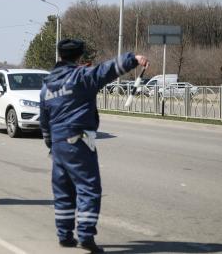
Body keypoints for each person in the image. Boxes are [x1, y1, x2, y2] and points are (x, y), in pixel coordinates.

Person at [40, 39, 149, 253]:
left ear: (60, 56)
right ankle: (86, 236)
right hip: (78, 140)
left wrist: (50, 142)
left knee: (63, 191)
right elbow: (106, 70)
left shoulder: (47, 84)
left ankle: (64, 235)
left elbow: (44, 118)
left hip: (58, 143)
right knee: (88, 189)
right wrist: (133, 59)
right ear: (79, 57)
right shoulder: (81, 77)